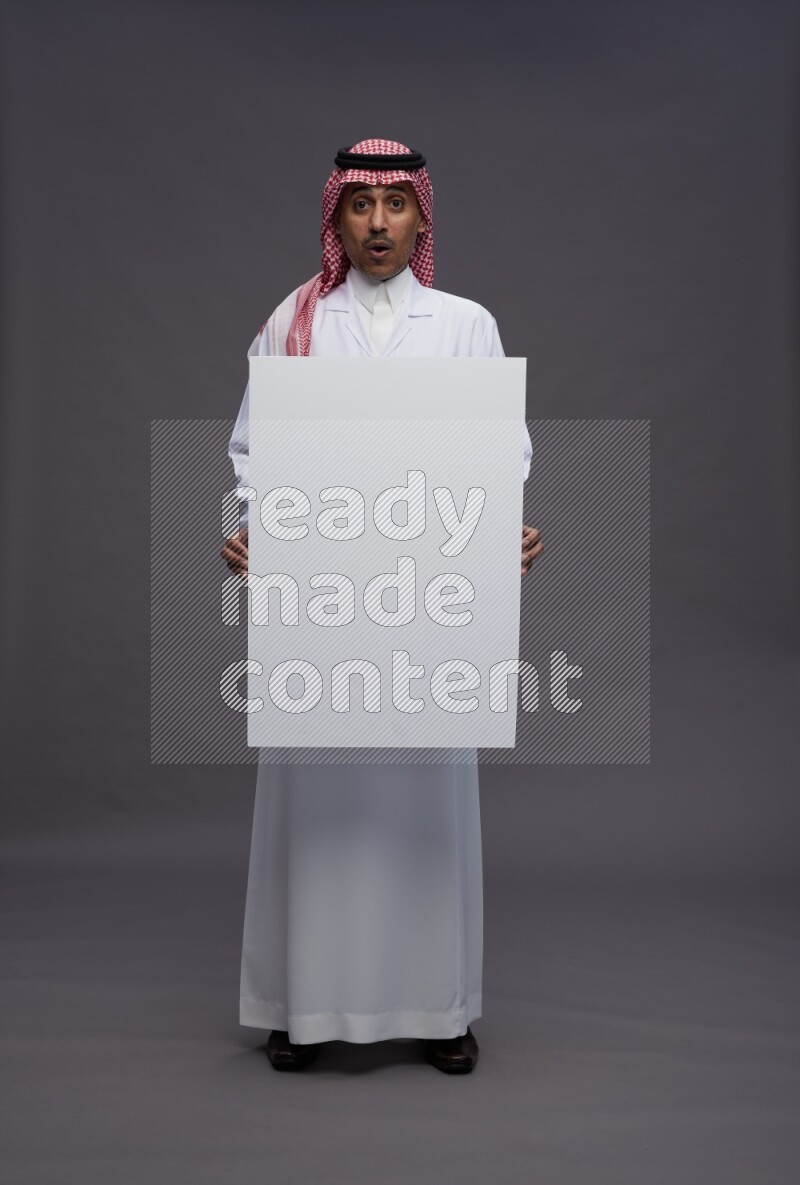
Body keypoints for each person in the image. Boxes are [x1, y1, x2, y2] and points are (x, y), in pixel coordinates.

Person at [221, 139, 542, 1074]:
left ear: (421, 218)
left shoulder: (465, 324)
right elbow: (253, 449)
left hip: (426, 605)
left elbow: (501, 453)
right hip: (318, 604)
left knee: (424, 802)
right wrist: (247, 529)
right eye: (360, 206)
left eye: (395, 205)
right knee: (313, 801)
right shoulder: (294, 321)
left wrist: (503, 532)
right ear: (337, 216)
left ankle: (439, 1009)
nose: (376, 225)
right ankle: (299, 1005)